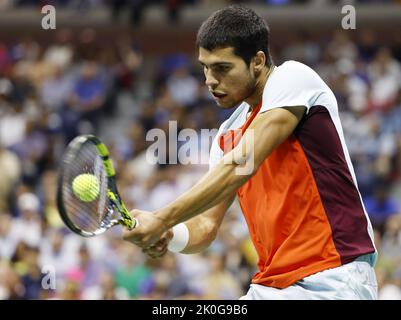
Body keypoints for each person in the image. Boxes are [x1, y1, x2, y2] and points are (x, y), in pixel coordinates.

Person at [123, 5, 378, 300]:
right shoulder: (226, 136)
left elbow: (240, 164)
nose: (209, 80)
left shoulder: (294, 79)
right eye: (205, 67)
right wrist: (170, 235)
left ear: (257, 61)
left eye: (222, 68)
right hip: (271, 287)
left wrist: (162, 217)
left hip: (332, 278)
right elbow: (205, 226)